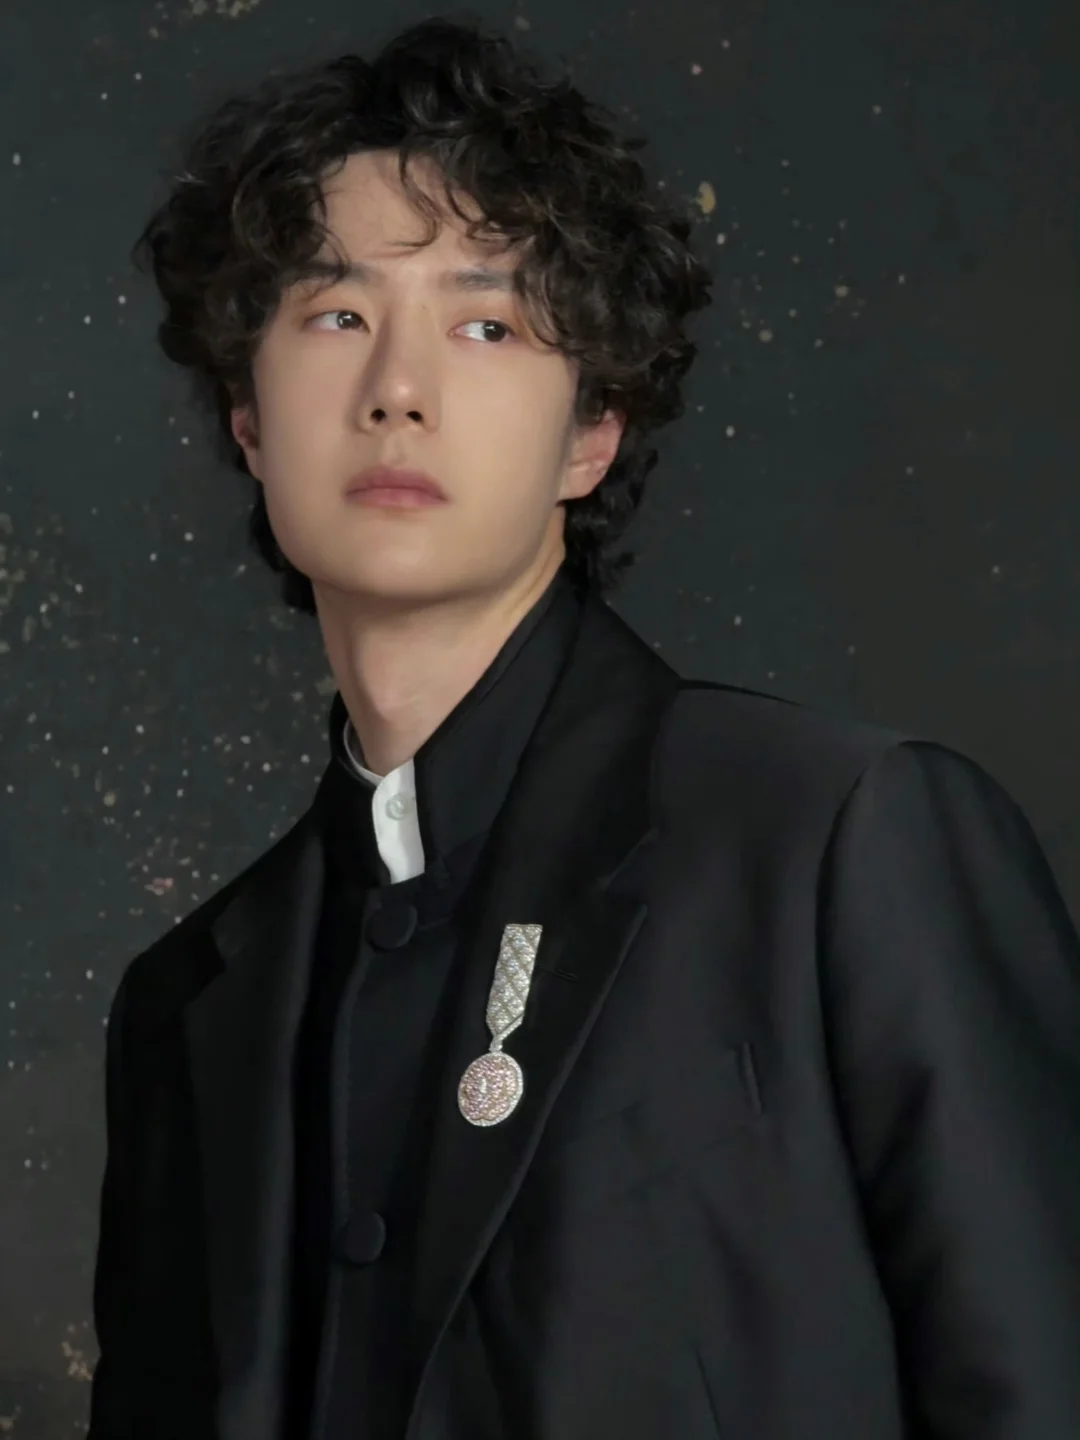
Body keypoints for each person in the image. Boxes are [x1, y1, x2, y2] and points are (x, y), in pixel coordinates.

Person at [87, 15, 1080, 1440]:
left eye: (485, 324)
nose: (397, 390)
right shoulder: (187, 1005)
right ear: (248, 416)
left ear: (592, 431)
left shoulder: (839, 840)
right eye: (336, 315)